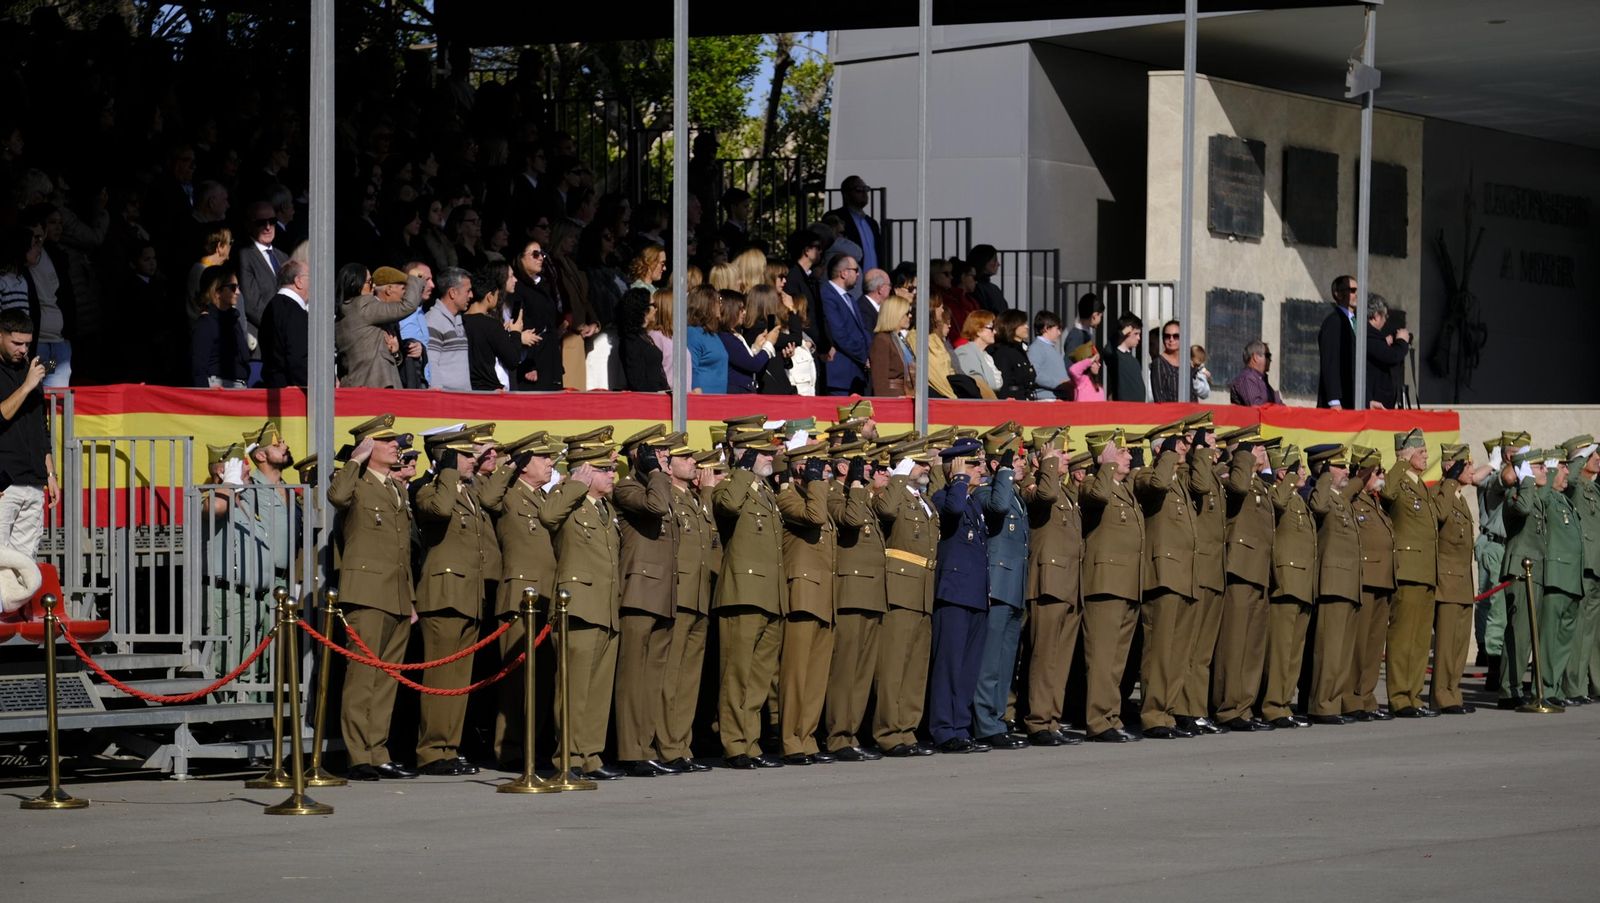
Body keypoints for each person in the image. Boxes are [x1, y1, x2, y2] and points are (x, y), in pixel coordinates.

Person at [326, 415, 418, 781]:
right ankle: (357, 754)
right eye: (387, 440)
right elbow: (337, 497)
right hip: (366, 592)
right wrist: (354, 459)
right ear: (368, 447)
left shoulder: (396, 488)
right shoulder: (355, 481)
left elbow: (401, 551)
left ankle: (378, 750)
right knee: (363, 677)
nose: (396, 445)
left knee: (387, 680)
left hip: (395, 593)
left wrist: (409, 599)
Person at [412, 429, 497, 776]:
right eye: (464, 455)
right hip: (444, 594)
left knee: (458, 681)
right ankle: (431, 750)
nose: (473, 460)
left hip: (468, 596)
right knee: (439, 680)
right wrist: (447, 469)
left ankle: (449, 746)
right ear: (446, 457)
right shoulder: (428, 489)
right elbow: (440, 510)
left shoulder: (470, 490)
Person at [540, 437, 625, 781]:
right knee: (574, 688)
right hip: (578, 607)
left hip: (605, 607)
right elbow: (547, 516)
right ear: (586, 472)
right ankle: (569, 756)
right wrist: (575, 484)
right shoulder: (568, 500)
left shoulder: (606, 509)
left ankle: (590, 754)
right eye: (604, 470)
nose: (612, 476)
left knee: (598, 689)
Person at [477, 432, 559, 769]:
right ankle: (508, 750)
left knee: (542, 679)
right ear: (525, 465)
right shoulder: (510, 493)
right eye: (543, 458)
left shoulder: (542, 498)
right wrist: (511, 465)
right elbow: (488, 498)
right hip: (520, 596)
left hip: (548, 595)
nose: (550, 463)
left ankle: (532, 746)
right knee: (516, 680)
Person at [612, 427, 685, 777]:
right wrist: (653, 471)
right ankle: (630, 749)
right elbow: (655, 506)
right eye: (658, 455)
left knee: (652, 679)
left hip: (662, 594)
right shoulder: (628, 487)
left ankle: (647, 745)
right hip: (639, 593)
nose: (665, 462)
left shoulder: (661, 486)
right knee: (632, 678)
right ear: (638, 458)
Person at [711, 431, 787, 769]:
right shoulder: (730, 486)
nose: (771, 458)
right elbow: (727, 506)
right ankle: (734, 745)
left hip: (770, 595)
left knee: (758, 679)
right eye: (763, 453)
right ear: (745, 457)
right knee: (736, 675)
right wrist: (741, 468)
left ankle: (751, 743)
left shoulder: (765, 492)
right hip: (742, 594)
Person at [1132, 422, 1200, 739]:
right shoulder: (1146, 475)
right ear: (1161, 450)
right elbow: (1157, 482)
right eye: (1176, 444)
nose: (1183, 449)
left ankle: (1168, 712)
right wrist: (1167, 453)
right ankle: (1153, 714)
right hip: (1162, 576)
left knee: (1178, 653)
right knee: (1159, 652)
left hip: (1184, 576)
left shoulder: (1181, 482)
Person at [872, 443, 939, 757]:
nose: (926, 468)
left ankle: (907, 730)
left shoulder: (922, 499)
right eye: (920, 463)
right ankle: (888, 732)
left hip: (924, 589)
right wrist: (898, 478)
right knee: (894, 666)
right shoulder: (895, 493)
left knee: (915, 667)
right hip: (900, 588)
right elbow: (885, 511)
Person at [1019, 430, 1085, 746]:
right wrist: (1045, 464)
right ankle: (1037, 721)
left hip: (1070, 583)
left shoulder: (1067, 491)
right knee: (1045, 656)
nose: (1068, 459)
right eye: (1062, 454)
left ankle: (1052, 719)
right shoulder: (1032, 484)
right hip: (1048, 582)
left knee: (1060, 659)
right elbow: (1042, 498)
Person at [1079, 429, 1144, 742]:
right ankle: (1098, 721)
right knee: (1103, 659)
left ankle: (1111, 716)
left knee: (1117, 660)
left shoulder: (1125, 487)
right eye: (1122, 452)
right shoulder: (1093, 483)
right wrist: (1104, 463)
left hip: (1128, 583)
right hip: (1105, 585)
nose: (1129, 456)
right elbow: (1099, 496)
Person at [928, 438, 992, 754]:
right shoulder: (943, 497)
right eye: (972, 464)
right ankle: (943, 729)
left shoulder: (974, 503)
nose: (980, 469)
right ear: (955, 468)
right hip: (953, 594)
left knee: (967, 669)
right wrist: (959, 479)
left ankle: (961, 727)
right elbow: (950, 511)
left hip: (975, 594)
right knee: (949, 667)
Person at [659, 444, 718, 773]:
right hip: (679, 595)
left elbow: (710, 536)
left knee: (688, 678)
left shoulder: (695, 499)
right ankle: (667, 746)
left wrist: (706, 494)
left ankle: (681, 745)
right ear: (669, 467)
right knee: (671, 677)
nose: (694, 463)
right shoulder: (670, 496)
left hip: (698, 596)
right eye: (686, 458)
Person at [971, 430, 1030, 750]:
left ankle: (996, 717)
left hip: (1013, 587)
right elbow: (997, 506)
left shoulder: (1015, 495)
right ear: (997, 465)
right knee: (990, 662)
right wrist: (1003, 471)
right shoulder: (985, 492)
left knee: (1006, 661)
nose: (1021, 465)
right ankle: (985, 722)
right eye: (1014, 460)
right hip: (997, 586)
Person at [1214, 435, 1276, 732]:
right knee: (1234, 645)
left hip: (1259, 570)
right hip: (1238, 568)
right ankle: (1229, 707)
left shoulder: (1258, 483)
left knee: (1252, 647)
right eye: (1257, 447)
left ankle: (1244, 706)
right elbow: (1236, 487)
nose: (1262, 452)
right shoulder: (1229, 475)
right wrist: (1241, 457)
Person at [1381, 429, 1444, 718]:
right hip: (1407, 571)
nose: (1426, 456)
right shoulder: (1399, 481)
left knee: (1420, 641)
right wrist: (1401, 462)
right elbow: (1387, 492)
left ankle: (1414, 695)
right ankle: (1399, 697)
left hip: (1427, 572)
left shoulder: (1421, 486)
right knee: (1402, 638)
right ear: (1406, 455)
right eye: (1421, 452)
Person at [1305, 444, 1361, 725]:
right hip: (1332, 582)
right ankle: (1322, 705)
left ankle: (1334, 702)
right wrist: (1325, 476)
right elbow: (1317, 505)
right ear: (1325, 469)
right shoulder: (1322, 493)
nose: (1346, 471)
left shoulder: (1341, 498)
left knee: (1341, 651)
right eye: (1340, 466)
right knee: (1328, 650)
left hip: (1347, 582)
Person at [1261, 445, 1315, 729]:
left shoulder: (1297, 497)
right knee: (1280, 652)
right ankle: (1272, 706)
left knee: (1293, 652)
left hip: (1303, 583)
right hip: (1286, 583)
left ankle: (1284, 703)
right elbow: (1276, 505)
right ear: (1283, 472)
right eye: (1298, 468)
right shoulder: (1277, 493)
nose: (1303, 473)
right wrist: (1288, 479)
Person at [0, 309, 56, 570]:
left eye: (27, 344)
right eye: (16, 343)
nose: (23, 350)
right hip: (5, 482)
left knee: (24, 565)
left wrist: (51, 474)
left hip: (32, 480)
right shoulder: (28, 378)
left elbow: (40, 425)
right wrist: (26, 386)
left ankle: (14, 612)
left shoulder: (31, 370)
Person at [1432, 443, 1485, 715]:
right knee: (1446, 643)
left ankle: (1454, 691)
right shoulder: (1443, 493)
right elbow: (1439, 516)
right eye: (1467, 465)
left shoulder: (1461, 498)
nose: (1472, 470)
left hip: (1462, 581)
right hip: (1447, 582)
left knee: (1460, 644)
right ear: (1452, 467)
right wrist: (1449, 481)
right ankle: (1441, 694)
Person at [1345, 445, 1397, 721]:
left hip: (1383, 581)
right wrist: (1360, 477)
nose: (1381, 475)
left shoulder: (1375, 501)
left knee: (1375, 646)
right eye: (1376, 471)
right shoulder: (1352, 500)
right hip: (1365, 580)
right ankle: (1352, 699)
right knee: (1359, 644)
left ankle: (1366, 698)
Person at [1560, 435, 1600, 703]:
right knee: (1579, 631)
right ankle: (1574, 685)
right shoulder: (1574, 485)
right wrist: (1577, 457)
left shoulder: (1594, 489)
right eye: (1592, 455)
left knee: (1592, 632)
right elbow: (1571, 479)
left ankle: (1593, 683)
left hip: (1595, 565)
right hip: (1584, 564)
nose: (1598, 459)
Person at [463, 261, 536, 390]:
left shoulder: (460, 321)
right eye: (496, 295)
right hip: (490, 389)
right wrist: (515, 333)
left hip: (468, 388)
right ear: (489, 297)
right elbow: (512, 359)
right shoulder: (491, 324)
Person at [190, 265, 251, 388]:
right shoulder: (205, 325)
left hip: (239, 388)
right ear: (217, 292)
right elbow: (198, 370)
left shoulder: (234, 321)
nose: (238, 292)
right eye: (233, 287)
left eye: (238, 287)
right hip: (218, 390)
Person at [821, 254, 870, 396]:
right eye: (856, 270)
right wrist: (864, 356)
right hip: (841, 376)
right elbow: (839, 334)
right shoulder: (827, 295)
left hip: (855, 375)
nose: (859, 274)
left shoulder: (849, 298)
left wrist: (870, 354)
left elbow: (862, 331)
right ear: (844, 273)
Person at [258, 258, 311, 388]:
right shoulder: (293, 311)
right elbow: (298, 359)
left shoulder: (272, 306)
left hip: (274, 389)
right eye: (310, 277)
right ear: (298, 281)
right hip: (292, 394)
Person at [425, 267, 473, 391]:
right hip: (446, 400)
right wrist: (438, 398)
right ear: (452, 293)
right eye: (468, 291)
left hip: (462, 398)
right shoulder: (433, 321)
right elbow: (431, 363)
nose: (471, 295)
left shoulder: (458, 319)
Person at [825, 176, 883, 273]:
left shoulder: (872, 223)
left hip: (874, 281)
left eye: (866, 189)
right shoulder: (836, 217)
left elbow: (879, 253)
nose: (864, 193)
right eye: (859, 190)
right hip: (847, 278)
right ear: (846, 194)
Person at [1317, 274, 1358, 409]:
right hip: (1340, 402)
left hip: (1354, 398)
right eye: (1352, 291)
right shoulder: (1334, 322)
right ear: (1338, 294)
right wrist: (1334, 400)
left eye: (1357, 290)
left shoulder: (1356, 321)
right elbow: (1330, 362)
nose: (1356, 294)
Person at [1365, 294, 1411, 408]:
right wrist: (1402, 341)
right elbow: (1392, 356)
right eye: (1385, 316)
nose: (1385, 320)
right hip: (1376, 402)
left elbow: (1379, 352)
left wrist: (1383, 343)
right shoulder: (1368, 335)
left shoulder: (1368, 335)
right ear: (1376, 316)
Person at [868, 295, 914, 397]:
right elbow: (879, 380)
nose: (910, 316)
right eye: (906, 313)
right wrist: (887, 404)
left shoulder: (900, 339)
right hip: (893, 398)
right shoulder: (882, 340)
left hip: (907, 396)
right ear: (896, 314)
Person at [988, 310, 1037, 401]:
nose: (1027, 327)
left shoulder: (1020, 350)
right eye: (1022, 324)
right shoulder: (1003, 352)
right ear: (1011, 325)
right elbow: (1003, 383)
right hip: (1013, 403)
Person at [952, 310, 1002, 396]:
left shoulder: (987, 356)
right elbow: (976, 385)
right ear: (978, 330)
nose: (995, 332)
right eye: (991, 328)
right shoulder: (965, 352)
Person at [1028, 311, 1071, 400]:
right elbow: (1035, 375)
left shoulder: (1050, 348)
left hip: (1056, 397)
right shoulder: (1036, 348)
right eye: (1057, 329)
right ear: (1046, 328)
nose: (1059, 333)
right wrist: (1060, 383)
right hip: (1046, 398)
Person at [1105, 312, 1145, 402]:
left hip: (1138, 409)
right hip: (1123, 409)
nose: (1139, 338)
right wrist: (1122, 332)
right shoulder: (1115, 356)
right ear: (1126, 332)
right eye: (1136, 334)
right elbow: (1108, 348)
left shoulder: (1133, 360)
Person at [1228, 341, 1282, 406]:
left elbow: (1280, 405)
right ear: (1255, 357)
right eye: (1268, 355)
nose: (1270, 360)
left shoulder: (1261, 380)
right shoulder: (1247, 378)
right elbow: (1257, 406)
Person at [968, 245, 1009, 315]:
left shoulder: (993, 288)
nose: (998, 264)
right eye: (994, 260)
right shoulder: (977, 289)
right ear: (983, 261)